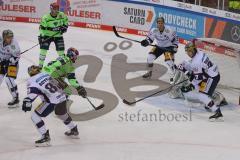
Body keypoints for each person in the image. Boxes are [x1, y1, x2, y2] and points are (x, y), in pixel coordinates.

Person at [22, 65, 79, 147]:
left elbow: (32, 94)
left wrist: (27, 101)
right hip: (62, 96)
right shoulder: (46, 74)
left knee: (34, 116)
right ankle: (74, 129)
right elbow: (61, 82)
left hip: (51, 101)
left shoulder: (31, 80)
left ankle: (45, 137)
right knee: (61, 114)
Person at [176, 41, 223, 120]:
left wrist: (185, 71)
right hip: (211, 73)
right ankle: (210, 100)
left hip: (212, 77)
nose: (188, 54)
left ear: (193, 50)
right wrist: (184, 65)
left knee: (201, 95)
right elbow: (194, 68)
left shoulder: (196, 62)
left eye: (189, 52)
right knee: (199, 89)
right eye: (187, 52)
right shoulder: (199, 52)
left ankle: (217, 112)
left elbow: (197, 79)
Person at [140, 17, 178, 82]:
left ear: (164, 23)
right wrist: (146, 42)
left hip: (168, 47)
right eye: (158, 23)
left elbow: (175, 40)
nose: (160, 24)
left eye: (161, 23)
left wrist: (174, 47)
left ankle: (177, 75)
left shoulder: (169, 31)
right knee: (150, 57)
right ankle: (149, 72)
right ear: (156, 24)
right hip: (159, 47)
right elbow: (150, 39)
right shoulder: (154, 30)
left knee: (168, 61)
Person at [38, 2, 68, 69]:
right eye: (54, 9)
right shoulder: (45, 17)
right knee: (43, 50)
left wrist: (65, 27)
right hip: (47, 35)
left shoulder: (62, 15)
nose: (56, 11)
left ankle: (64, 68)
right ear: (51, 9)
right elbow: (41, 28)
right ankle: (40, 67)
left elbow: (66, 22)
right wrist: (41, 37)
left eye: (57, 9)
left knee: (61, 52)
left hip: (58, 35)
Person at [0, 29, 20, 107]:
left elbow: (17, 57)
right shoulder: (1, 40)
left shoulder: (14, 45)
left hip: (12, 64)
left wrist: (10, 60)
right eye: (8, 37)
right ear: (4, 37)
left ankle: (15, 98)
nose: (10, 39)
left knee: (9, 80)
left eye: (11, 37)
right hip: (2, 63)